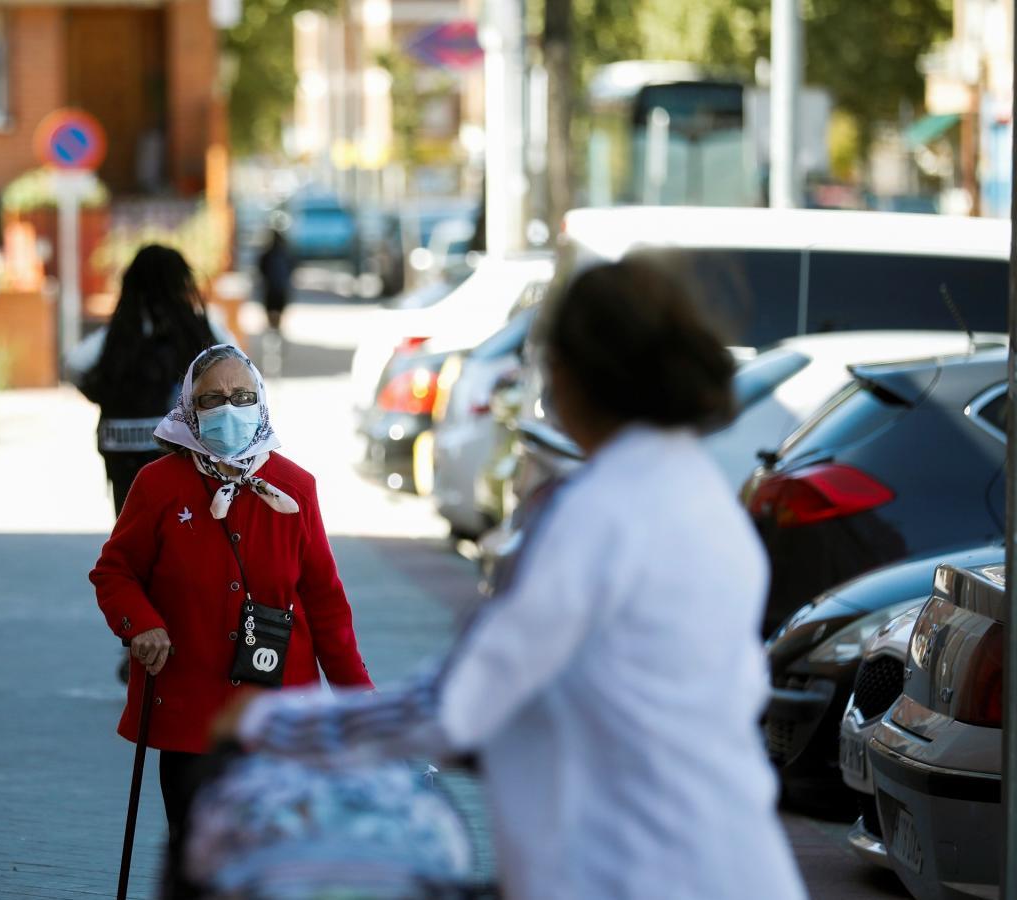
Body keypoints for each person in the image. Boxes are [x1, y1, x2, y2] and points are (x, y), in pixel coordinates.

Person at [214, 260, 806, 900]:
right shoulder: (698, 491)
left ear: (580, 374)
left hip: (634, 868)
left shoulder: (597, 512)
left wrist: (271, 724)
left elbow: (457, 703)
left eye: (548, 356)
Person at [90, 344, 374, 845]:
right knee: (199, 854)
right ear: (188, 410)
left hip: (281, 716)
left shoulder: (294, 488)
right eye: (211, 399)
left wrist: (361, 707)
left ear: (261, 402)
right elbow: (115, 571)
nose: (228, 408)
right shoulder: (158, 486)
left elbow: (327, 606)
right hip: (191, 716)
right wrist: (142, 623)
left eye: (241, 396)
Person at [75, 245, 217, 515]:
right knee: (181, 526)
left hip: (122, 445)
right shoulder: (195, 327)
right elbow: (233, 360)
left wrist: (103, 394)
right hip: (180, 446)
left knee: (131, 528)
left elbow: (76, 364)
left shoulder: (121, 330)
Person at [257, 228, 294, 333]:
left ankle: (273, 330)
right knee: (278, 313)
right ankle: (276, 330)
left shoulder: (266, 254)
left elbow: (261, 269)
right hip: (281, 288)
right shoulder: (286, 254)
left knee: (271, 312)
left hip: (270, 288)